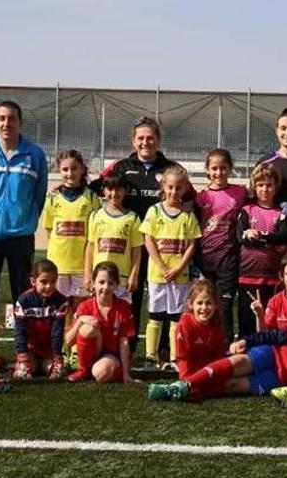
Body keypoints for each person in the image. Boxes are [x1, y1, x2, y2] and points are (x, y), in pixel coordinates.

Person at [91, 116, 192, 354]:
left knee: (167, 301)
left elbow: (191, 197)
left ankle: (166, 350)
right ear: (133, 141)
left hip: (165, 249)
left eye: (150, 138)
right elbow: (97, 186)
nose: (145, 142)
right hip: (131, 246)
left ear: (158, 140)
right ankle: (129, 347)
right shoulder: (120, 167)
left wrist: (188, 206)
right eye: (140, 138)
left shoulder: (171, 169)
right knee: (132, 299)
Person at [147, 299, 287, 402]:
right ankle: (181, 386)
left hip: (280, 380)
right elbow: (274, 335)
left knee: (234, 386)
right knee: (239, 362)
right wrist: (247, 340)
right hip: (272, 355)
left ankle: (195, 391)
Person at [0, 100, 48, 321]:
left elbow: (39, 194)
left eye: (12, 119)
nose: (7, 123)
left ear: (20, 123)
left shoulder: (35, 155)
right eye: (2, 119)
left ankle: (23, 349)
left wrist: (24, 219)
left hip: (20, 236)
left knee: (23, 294)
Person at [139, 166, 201, 371]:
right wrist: (163, 265)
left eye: (179, 188)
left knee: (176, 318)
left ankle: (175, 358)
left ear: (185, 189)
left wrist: (179, 267)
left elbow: (192, 244)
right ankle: (150, 356)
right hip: (158, 274)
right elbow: (148, 240)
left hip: (179, 276)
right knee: (155, 316)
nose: (174, 191)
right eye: (171, 187)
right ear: (163, 187)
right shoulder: (154, 211)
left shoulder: (187, 215)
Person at [194, 148, 248, 343]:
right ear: (207, 170)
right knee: (205, 305)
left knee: (225, 306)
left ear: (231, 168)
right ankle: (206, 344)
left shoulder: (240, 193)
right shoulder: (201, 198)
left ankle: (226, 346)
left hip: (228, 261)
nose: (219, 173)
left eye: (223, 168)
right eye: (214, 168)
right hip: (205, 260)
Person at [236, 163, 287, 338]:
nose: (265, 189)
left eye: (269, 185)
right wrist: (267, 239)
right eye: (260, 185)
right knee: (247, 322)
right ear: (254, 186)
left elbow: (284, 237)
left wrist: (260, 236)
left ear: (276, 187)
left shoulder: (281, 213)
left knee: (269, 322)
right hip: (248, 276)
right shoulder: (247, 210)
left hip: (272, 277)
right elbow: (242, 238)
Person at [65, 261, 137, 383]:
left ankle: (116, 371)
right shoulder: (84, 307)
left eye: (111, 283)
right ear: (93, 284)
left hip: (111, 355)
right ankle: (84, 370)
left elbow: (124, 342)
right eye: (101, 282)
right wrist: (80, 321)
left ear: (116, 286)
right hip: (92, 354)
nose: (106, 287)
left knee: (101, 374)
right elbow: (68, 341)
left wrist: (126, 374)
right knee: (87, 329)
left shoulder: (123, 307)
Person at [43, 149, 100, 301]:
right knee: (60, 305)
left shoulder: (91, 197)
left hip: (82, 264)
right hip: (58, 263)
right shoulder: (53, 197)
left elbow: (95, 232)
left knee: (81, 306)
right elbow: (49, 228)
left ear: (82, 169)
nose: (70, 173)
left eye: (74, 168)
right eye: (65, 169)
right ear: (59, 171)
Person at [83, 173, 143, 303]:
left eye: (118, 189)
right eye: (110, 189)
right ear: (103, 190)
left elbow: (137, 250)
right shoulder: (95, 216)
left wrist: (134, 275)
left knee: (121, 316)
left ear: (125, 191)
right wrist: (88, 273)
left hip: (122, 278)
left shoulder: (132, 218)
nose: (114, 193)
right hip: (100, 278)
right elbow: (90, 247)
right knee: (99, 313)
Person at [12, 259, 69, 381]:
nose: (48, 286)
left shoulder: (61, 301)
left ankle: (44, 363)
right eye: (43, 282)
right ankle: (25, 362)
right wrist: (23, 356)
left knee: (52, 372)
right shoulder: (23, 301)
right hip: (31, 348)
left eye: (53, 281)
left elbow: (57, 333)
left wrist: (57, 356)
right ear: (33, 281)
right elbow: (20, 332)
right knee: (26, 373)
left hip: (48, 349)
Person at [175, 279, 228, 380]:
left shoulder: (217, 324)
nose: (204, 308)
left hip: (210, 371)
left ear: (215, 305)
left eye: (208, 303)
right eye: (199, 303)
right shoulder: (185, 324)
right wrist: (187, 381)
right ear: (191, 304)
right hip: (191, 372)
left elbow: (220, 356)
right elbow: (183, 357)